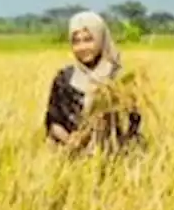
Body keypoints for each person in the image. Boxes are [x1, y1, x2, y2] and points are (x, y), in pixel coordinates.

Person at [44, 11, 141, 153]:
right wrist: (71, 141)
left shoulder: (118, 78)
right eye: (76, 41)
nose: (82, 47)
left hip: (115, 157)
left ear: (101, 39)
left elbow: (133, 122)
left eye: (88, 40)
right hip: (71, 156)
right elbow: (53, 120)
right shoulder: (65, 78)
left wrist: (106, 125)